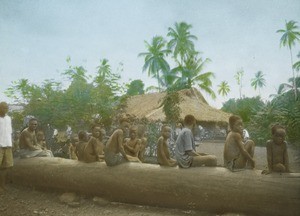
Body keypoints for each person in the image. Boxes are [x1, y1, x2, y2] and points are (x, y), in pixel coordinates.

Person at [0, 102, 13, 193]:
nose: (6, 110)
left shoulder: (8, 119)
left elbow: (9, 132)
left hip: (7, 145)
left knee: (6, 166)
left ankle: (2, 186)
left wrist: (12, 143)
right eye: (4, 108)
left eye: (7, 108)